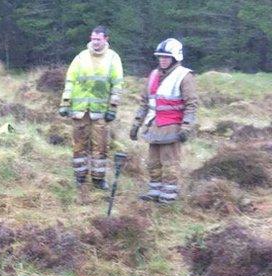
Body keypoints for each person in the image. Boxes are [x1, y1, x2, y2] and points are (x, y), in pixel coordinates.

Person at [130, 38, 199, 204]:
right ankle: (154, 193)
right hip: (154, 126)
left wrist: (186, 127)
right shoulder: (153, 75)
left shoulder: (184, 76)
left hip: (172, 128)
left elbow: (191, 104)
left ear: (175, 58)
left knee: (170, 164)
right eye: (160, 57)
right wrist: (136, 124)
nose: (162, 60)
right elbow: (145, 102)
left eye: (166, 57)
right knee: (153, 163)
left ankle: (168, 198)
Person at [59, 26, 124, 190]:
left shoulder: (113, 58)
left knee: (100, 147)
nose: (95, 42)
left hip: (100, 111)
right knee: (79, 146)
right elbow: (70, 81)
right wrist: (65, 103)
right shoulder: (81, 57)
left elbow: (117, 85)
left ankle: (98, 179)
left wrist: (112, 109)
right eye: (93, 39)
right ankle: (80, 178)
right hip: (80, 111)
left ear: (106, 39)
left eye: (98, 39)